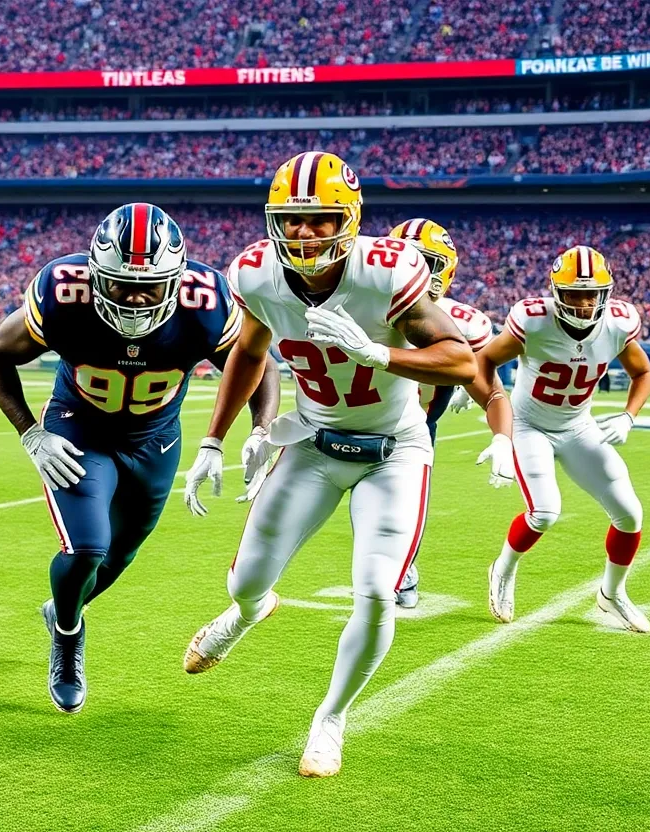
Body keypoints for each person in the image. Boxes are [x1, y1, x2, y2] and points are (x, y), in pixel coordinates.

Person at [181, 152, 475, 777]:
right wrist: (219, 437)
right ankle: (250, 613)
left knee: (376, 594)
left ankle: (330, 718)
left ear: (351, 219)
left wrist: (377, 352)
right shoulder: (255, 274)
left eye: (322, 219)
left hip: (392, 451)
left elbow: (462, 361)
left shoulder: (387, 271)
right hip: (313, 441)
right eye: (293, 219)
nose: (306, 233)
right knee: (245, 581)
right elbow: (250, 351)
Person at [0, 202, 279, 714]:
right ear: (96, 276)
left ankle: (61, 609)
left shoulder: (206, 303)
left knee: (120, 555)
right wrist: (31, 433)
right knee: (87, 549)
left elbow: (260, 365)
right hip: (80, 432)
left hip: (156, 441)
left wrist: (262, 430)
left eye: (151, 285)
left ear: (177, 279)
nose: (136, 298)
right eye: (120, 284)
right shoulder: (62, 292)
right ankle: (69, 637)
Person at [478, 245, 650, 634]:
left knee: (630, 514)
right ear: (556, 292)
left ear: (606, 294)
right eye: (573, 292)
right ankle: (503, 569)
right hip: (529, 425)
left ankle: (612, 594)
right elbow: (485, 360)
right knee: (544, 512)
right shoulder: (534, 320)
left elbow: (643, 373)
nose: (583, 301)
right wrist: (479, 395)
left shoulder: (618, 324)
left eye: (591, 293)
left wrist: (628, 416)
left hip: (578, 425)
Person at [387, 218, 510, 608]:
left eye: (427, 262)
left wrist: (503, 437)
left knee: (401, 507)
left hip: (417, 429)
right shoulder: (362, 304)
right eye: (408, 261)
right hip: (351, 418)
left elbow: (491, 391)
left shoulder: (465, 323)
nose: (418, 271)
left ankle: (402, 570)